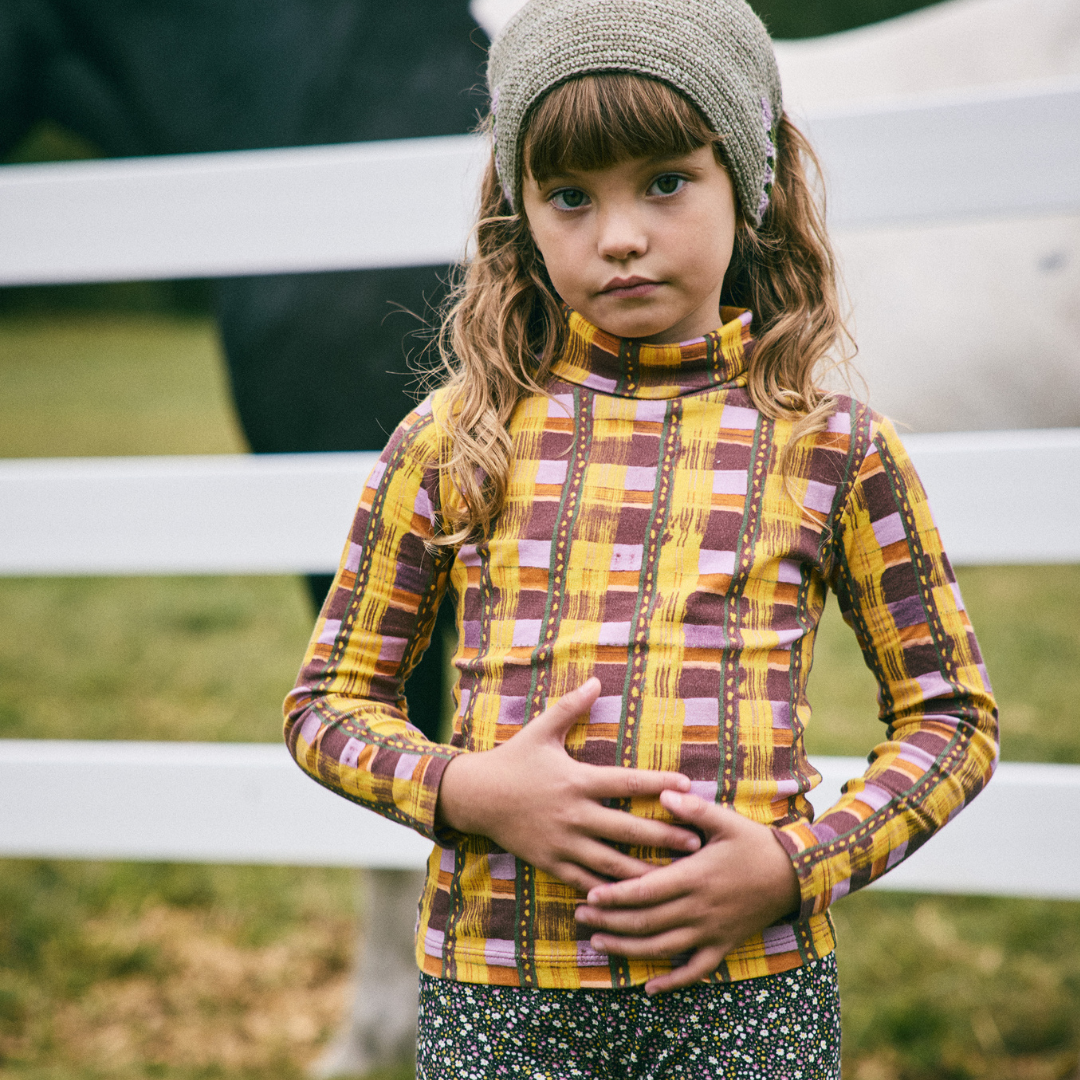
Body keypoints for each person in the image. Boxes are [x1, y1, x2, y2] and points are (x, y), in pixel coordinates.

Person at [284, 0, 999, 1075]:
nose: (618, 234)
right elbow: (323, 708)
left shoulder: (834, 448)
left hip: (752, 992)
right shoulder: (451, 442)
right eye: (569, 195)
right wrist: (467, 792)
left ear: (748, 185)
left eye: (665, 180)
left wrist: (795, 864)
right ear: (518, 210)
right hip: (496, 993)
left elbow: (954, 719)